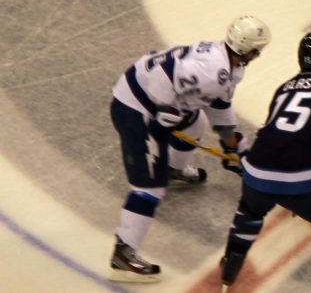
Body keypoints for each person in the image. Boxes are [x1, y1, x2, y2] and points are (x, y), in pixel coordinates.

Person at [108, 15, 270, 283]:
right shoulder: (213, 69)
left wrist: (233, 147)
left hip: (149, 101)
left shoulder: (227, 66)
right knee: (150, 186)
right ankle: (124, 251)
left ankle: (174, 168)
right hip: (136, 109)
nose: (258, 55)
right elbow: (162, 74)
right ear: (248, 49)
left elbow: (218, 106)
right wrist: (164, 111)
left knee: (196, 122)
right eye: (257, 50)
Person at [219, 33, 311, 293]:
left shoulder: (285, 87)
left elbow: (270, 130)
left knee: (251, 209)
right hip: (301, 180)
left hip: (255, 171)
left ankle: (231, 261)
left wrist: (246, 159)